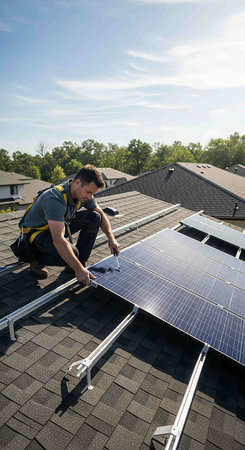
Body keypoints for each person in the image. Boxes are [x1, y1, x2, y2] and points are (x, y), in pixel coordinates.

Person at [21, 165, 120, 285]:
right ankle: (37, 259)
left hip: (56, 226)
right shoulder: (55, 198)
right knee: (73, 254)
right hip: (35, 234)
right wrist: (78, 269)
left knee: (95, 217)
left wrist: (111, 238)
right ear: (77, 182)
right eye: (88, 192)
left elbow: (102, 215)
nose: (90, 197)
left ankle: (78, 263)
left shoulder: (83, 194)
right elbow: (58, 240)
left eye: (92, 193)